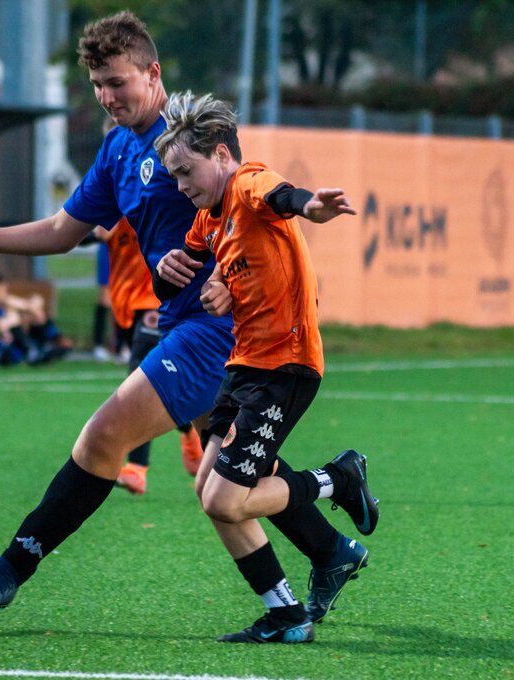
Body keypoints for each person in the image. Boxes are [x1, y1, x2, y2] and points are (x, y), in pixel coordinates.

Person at [0, 11, 368, 640]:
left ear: (153, 73)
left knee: (105, 438)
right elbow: (60, 231)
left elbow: (252, 203)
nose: (107, 96)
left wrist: (225, 273)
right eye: (97, 85)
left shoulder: (190, 137)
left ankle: (11, 568)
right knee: (231, 476)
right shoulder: (117, 148)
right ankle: (319, 563)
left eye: (117, 82)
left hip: (213, 332)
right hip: (183, 326)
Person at [153, 90, 377, 642]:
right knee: (209, 490)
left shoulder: (248, 183)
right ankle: (290, 608)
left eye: (186, 171)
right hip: (244, 367)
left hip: (285, 365)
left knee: (226, 498)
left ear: (221, 154)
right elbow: (197, 266)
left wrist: (312, 206)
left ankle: (337, 479)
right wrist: (185, 274)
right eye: (173, 176)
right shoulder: (207, 218)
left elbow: (283, 197)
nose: (180, 185)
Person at [99, 217, 203, 494]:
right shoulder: (113, 206)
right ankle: (190, 433)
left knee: (139, 379)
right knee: (165, 383)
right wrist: (95, 229)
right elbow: (72, 231)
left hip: (154, 300)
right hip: (126, 305)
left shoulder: (154, 206)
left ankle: (137, 467)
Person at [0, 271, 71, 365]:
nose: (5, 293)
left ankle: (43, 346)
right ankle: (39, 348)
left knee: (29, 311)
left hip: (10, 335)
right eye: (3, 290)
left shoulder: (1, 303)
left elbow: (32, 304)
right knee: (18, 316)